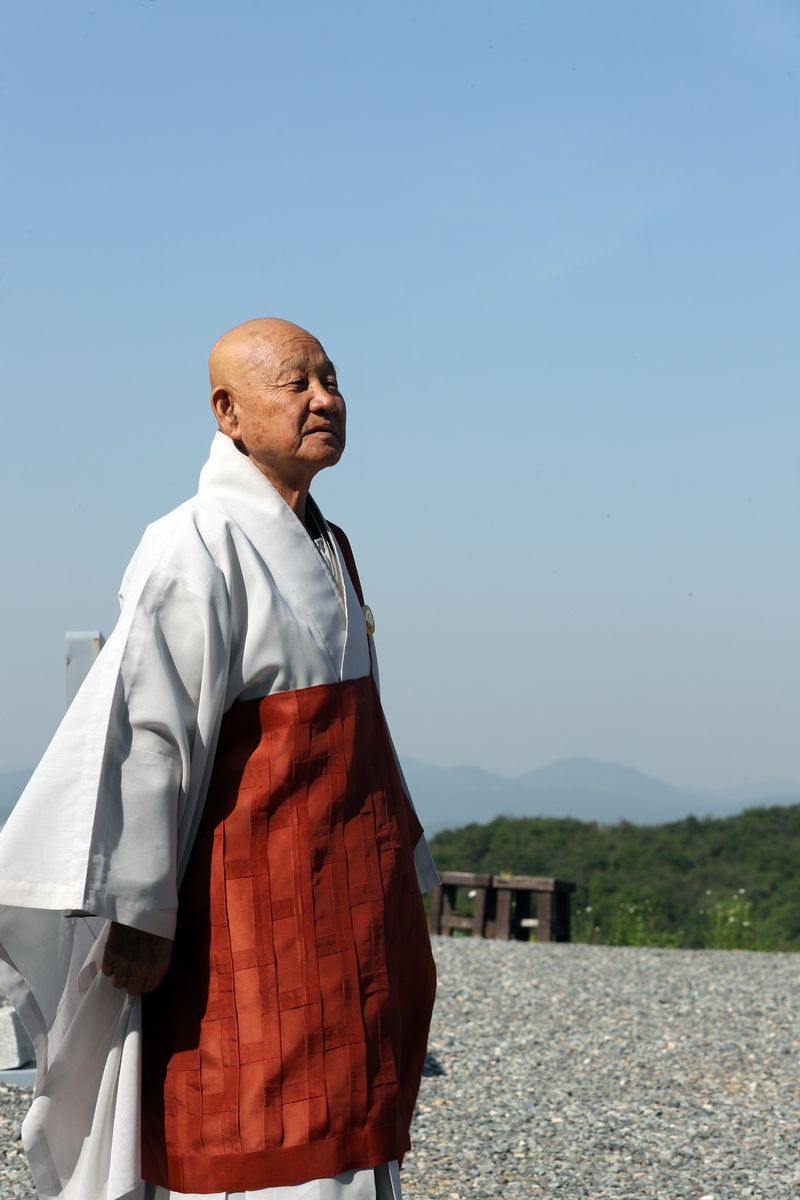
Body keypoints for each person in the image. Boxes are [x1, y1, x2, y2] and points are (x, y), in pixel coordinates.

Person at [0, 318, 439, 1200]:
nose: (325, 398)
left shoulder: (330, 543)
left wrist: (403, 869)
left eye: (331, 378)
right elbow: (148, 738)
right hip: (249, 904)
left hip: (344, 894)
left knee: (351, 1110)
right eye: (295, 382)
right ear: (227, 412)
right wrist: (138, 911)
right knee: (254, 1115)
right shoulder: (193, 540)